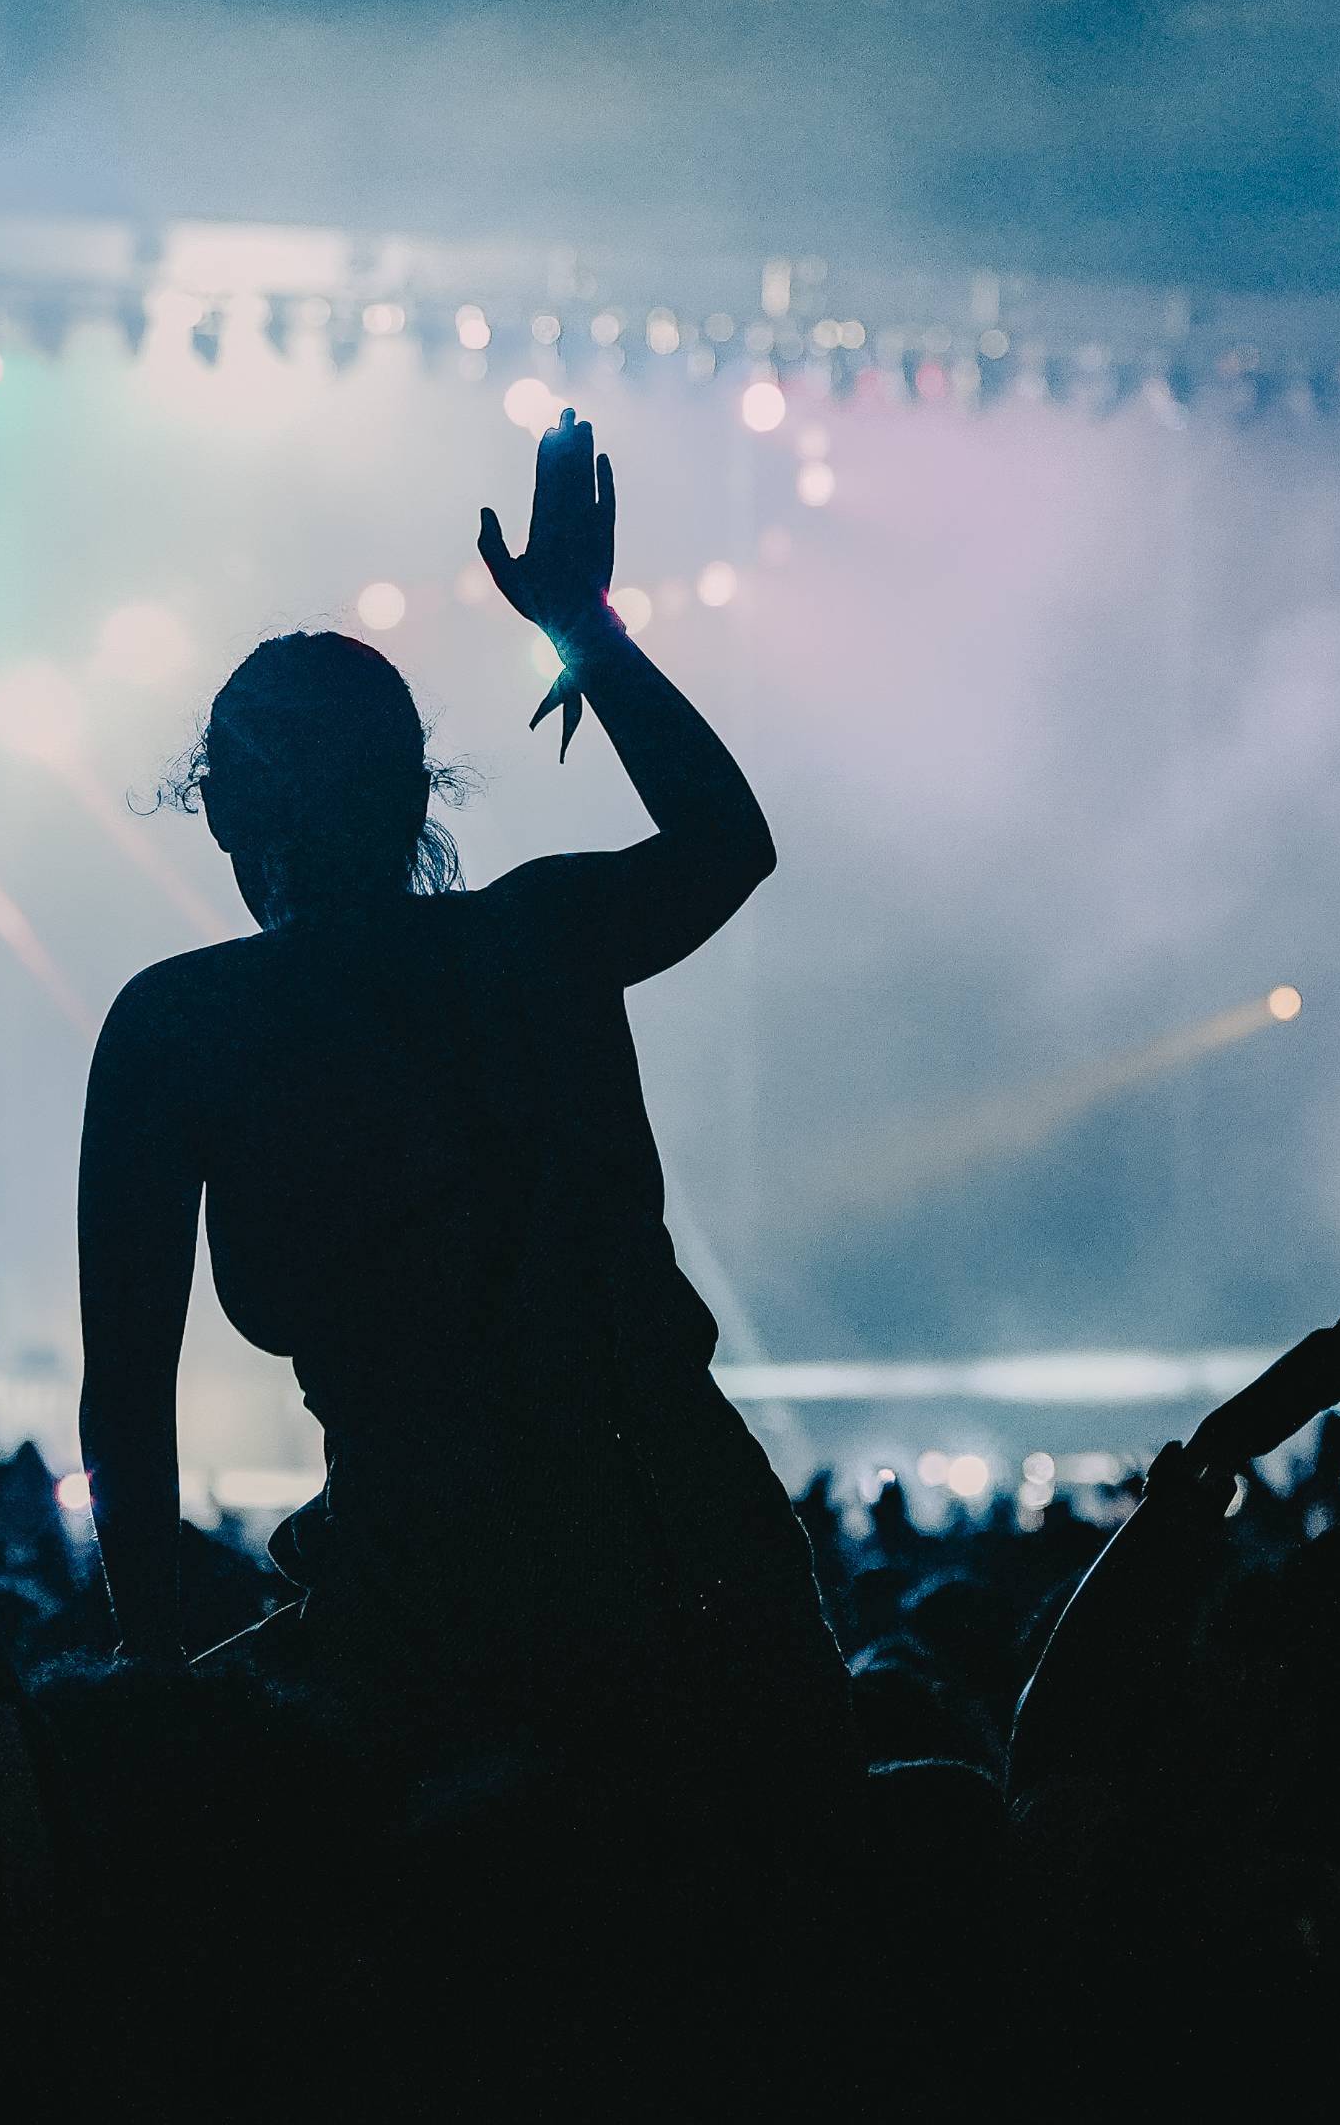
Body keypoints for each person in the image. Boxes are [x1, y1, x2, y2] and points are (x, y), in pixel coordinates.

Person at [74, 411, 846, 1771]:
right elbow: (728, 843)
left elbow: (128, 1398)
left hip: (437, 1612)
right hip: (691, 1573)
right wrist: (583, 629)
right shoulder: (534, 941)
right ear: (416, 789)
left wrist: (151, 1670)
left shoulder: (184, 1025)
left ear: (217, 810)